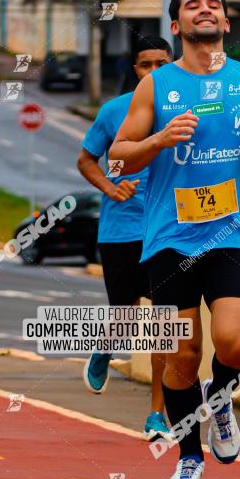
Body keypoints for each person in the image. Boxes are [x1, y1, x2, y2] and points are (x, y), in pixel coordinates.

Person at [110, 0, 240, 479]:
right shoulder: (155, 86)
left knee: (236, 343)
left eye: (213, 5)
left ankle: (221, 398)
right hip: (170, 240)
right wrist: (159, 138)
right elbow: (118, 157)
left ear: (226, 21)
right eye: (192, 5)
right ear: (177, 24)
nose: (204, 11)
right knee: (182, 359)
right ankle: (188, 459)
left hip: (229, 233)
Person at [76, 35, 172, 440]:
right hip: (120, 232)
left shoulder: (186, 110)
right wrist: (110, 188)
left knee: (167, 325)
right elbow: (85, 160)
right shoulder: (114, 111)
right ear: (134, 69)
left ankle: (156, 414)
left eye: (160, 64)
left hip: (169, 232)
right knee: (127, 316)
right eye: (144, 65)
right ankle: (106, 346)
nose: (152, 71)